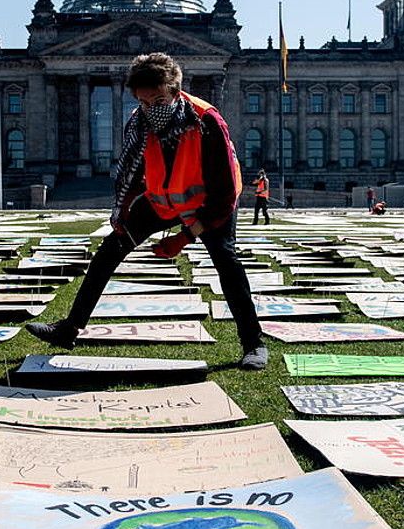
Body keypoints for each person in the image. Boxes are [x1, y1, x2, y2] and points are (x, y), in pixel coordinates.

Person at [26, 52, 268, 370]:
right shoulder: (139, 122)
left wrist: (183, 238)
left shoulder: (206, 120)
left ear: (176, 91)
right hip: (162, 201)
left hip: (210, 204)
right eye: (142, 101)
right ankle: (69, 328)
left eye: (157, 100)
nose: (150, 109)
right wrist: (122, 211)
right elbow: (132, 171)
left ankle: (253, 343)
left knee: (228, 265)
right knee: (109, 250)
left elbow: (223, 196)